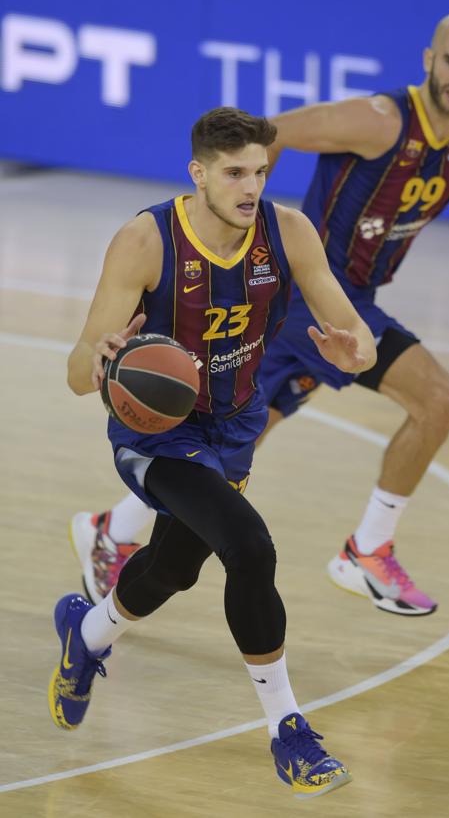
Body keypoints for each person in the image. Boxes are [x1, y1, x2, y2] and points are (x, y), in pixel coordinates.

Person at [71, 12, 449, 618]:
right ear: (429, 58)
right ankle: (367, 549)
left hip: (339, 299)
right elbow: (273, 132)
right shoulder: (377, 120)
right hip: (314, 296)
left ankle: (113, 528)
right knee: (438, 399)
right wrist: (254, 227)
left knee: (237, 438)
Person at [50, 107, 376, 798]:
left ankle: (89, 633)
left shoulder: (288, 233)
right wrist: (103, 359)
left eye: (260, 170)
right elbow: (77, 373)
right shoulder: (145, 241)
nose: (250, 184)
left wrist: (357, 348)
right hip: (158, 436)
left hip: (233, 427)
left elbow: (355, 329)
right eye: (234, 172)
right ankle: (288, 729)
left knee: (174, 566)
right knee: (249, 547)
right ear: (198, 173)